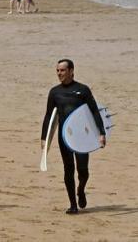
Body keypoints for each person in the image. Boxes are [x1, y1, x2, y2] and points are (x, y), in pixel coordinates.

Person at [41, 59, 106, 214]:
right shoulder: (54, 92)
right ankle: (73, 204)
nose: (59, 74)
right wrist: (45, 138)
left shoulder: (83, 90)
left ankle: (81, 189)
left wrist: (101, 132)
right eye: (57, 71)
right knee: (68, 169)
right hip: (65, 137)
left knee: (83, 170)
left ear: (71, 71)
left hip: (82, 137)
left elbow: (94, 111)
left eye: (62, 70)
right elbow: (49, 116)